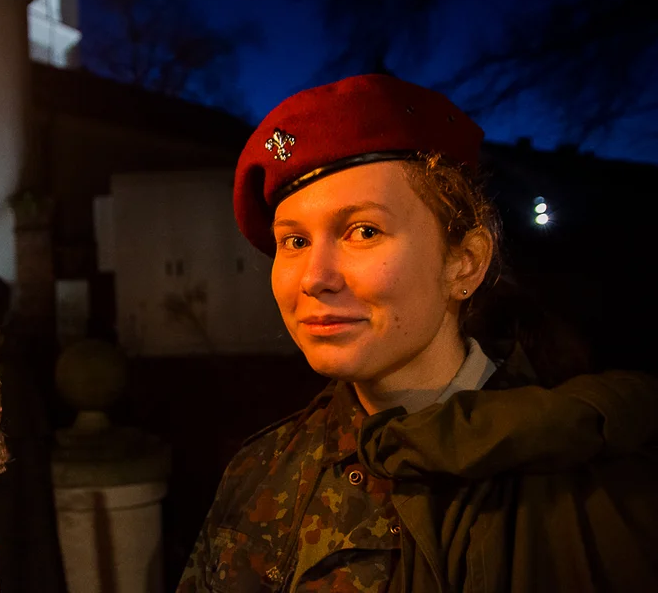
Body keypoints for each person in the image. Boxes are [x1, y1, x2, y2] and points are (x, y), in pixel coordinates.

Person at [177, 74, 658, 592]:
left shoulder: (585, 480)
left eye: (363, 231)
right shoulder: (260, 472)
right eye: (293, 241)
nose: (314, 277)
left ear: (465, 264)